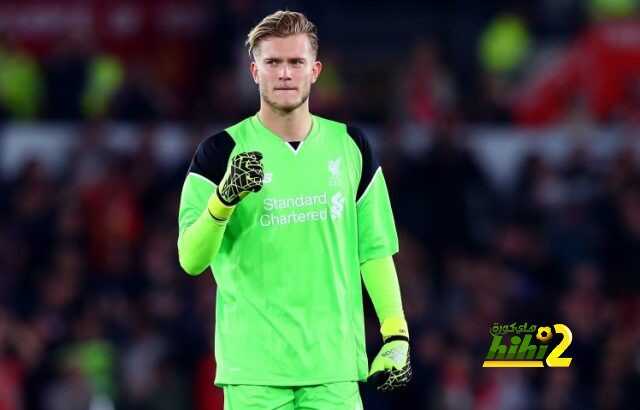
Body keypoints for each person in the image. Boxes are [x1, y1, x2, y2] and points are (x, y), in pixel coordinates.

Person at [177, 10, 411, 409]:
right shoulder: (219, 153)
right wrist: (224, 199)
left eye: (295, 62)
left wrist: (396, 333)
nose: (284, 73)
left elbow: (373, 250)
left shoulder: (351, 146)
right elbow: (190, 259)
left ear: (315, 70)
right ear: (254, 71)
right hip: (255, 373)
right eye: (273, 62)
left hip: (333, 369)